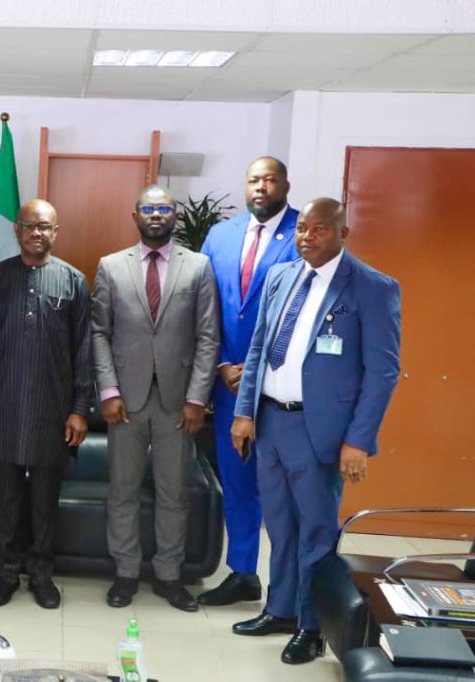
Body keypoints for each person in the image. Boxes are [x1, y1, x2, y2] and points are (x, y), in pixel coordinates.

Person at [230, 198, 401, 664]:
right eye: (302, 228)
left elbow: (383, 372)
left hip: (319, 430)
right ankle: (281, 609)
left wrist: (358, 441)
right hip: (270, 421)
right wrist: (244, 412)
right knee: (279, 526)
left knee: (316, 532)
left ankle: (311, 625)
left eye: (319, 229)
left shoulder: (372, 287)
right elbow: (259, 348)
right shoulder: (281, 275)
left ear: (343, 233)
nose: (307, 237)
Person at [92, 185, 220, 612]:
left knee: (173, 493)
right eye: (148, 208)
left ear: (175, 214)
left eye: (163, 208)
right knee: (122, 491)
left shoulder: (198, 267)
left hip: (177, 402)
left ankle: (169, 576)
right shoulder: (111, 266)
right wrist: (108, 390)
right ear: (135, 216)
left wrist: (197, 398)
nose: (155, 215)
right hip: (124, 401)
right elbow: (99, 333)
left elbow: (208, 337)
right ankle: (125, 573)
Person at [0, 199, 91, 609]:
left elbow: (84, 350)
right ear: (17, 230)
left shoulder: (73, 281)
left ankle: (42, 574)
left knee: (45, 499)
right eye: (29, 225)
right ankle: (8, 571)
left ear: (55, 232)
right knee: (6, 498)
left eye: (44, 226)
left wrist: (79, 409)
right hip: (5, 406)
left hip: (52, 410)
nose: (36, 233)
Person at [197, 157, 300, 606]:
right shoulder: (221, 235)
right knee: (237, 480)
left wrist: (257, 369)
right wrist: (221, 362)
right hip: (227, 383)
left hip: (279, 387)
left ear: (285, 185)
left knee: (281, 490)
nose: (261, 187)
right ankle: (243, 572)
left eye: (270, 180)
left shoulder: (304, 232)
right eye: (254, 180)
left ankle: (290, 587)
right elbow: (203, 304)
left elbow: (303, 314)